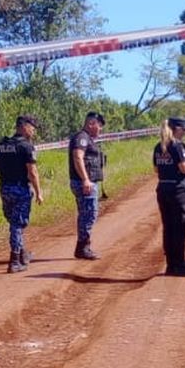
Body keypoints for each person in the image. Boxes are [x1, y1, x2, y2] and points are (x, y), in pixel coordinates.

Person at [0, 115, 44, 273]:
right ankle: (14, 260)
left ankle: (21, 255)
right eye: (32, 127)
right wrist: (39, 192)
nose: (33, 130)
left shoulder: (2, 144)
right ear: (23, 126)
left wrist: (7, 164)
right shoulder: (26, 146)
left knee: (13, 222)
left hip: (5, 188)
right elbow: (32, 172)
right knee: (17, 225)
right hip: (20, 189)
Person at [152, 117, 185, 276]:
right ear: (177, 129)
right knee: (180, 227)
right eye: (183, 130)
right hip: (178, 190)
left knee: (168, 227)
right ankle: (179, 265)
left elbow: (156, 169)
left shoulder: (159, 147)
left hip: (163, 188)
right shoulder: (178, 146)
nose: (184, 133)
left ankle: (171, 264)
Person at [68, 111, 106, 259]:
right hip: (84, 183)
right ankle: (83, 247)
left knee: (86, 214)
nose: (100, 129)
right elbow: (78, 157)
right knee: (89, 214)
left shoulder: (86, 138)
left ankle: (82, 246)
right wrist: (85, 179)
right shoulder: (82, 138)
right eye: (99, 125)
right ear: (91, 124)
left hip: (86, 182)